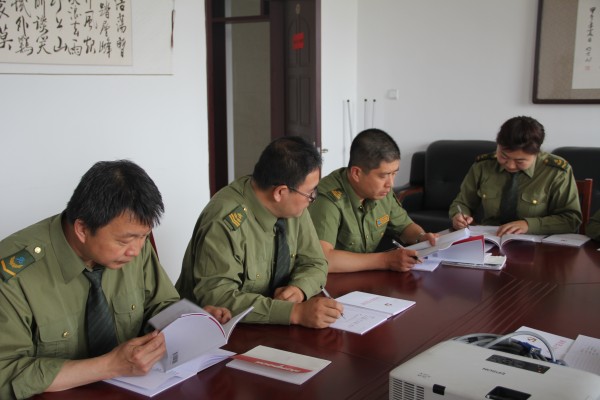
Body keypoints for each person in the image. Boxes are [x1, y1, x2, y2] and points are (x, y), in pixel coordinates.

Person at [0, 160, 230, 400]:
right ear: (82, 229)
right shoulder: (16, 275)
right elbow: (5, 372)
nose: (136, 250)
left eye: (144, 237)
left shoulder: (135, 246)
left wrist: (190, 320)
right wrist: (109, 365)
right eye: (124, 241)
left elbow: (159, 305)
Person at [176, 136, 343, 329]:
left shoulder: (295, 207)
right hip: (212, 331)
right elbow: (217, 297)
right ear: (280, 192)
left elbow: (316, 262)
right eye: (310, 193)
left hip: (267, 327)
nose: (312, 199)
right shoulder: (224, 220)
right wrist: (294, 312)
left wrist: (299, 289)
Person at [307, 128, 438, 273]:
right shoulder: (327, 199)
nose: (390, 184)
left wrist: (421, 237)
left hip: (365, 277)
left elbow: (404, 226)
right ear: (356, 173)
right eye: (383, 176)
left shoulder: (381, 191)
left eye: (394, 174)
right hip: (332, 280)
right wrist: (386, 260)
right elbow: (323, 259)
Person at [450, 116, 581, 236]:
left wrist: (528, 225)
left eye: (520, 161)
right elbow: (462, 202)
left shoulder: (556, 172)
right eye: (503, 156)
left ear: (537, 153)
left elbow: (571, 219)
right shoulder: (483, 166)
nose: (510, 165)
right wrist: (459, 216)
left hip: (537, 242)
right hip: (490, 239)